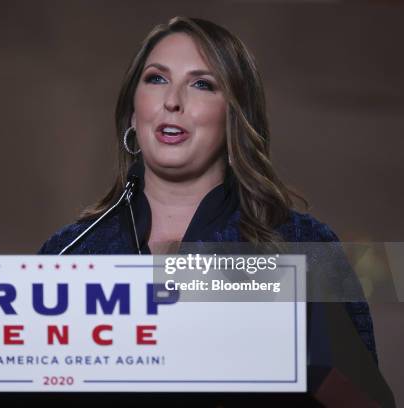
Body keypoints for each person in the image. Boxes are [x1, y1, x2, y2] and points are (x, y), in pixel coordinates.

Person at [38, 16, 392, 404]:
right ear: (132, 114)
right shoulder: (68, 252)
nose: (172, 101)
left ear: (234, 118)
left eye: (201, 84)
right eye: (156, 79)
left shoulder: (302, 246)